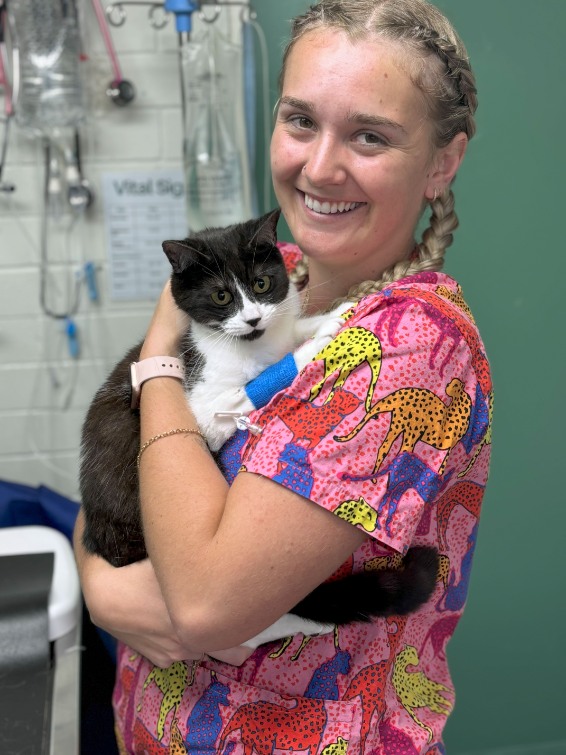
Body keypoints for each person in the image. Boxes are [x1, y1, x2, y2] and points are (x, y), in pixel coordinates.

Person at [73, 0, 492, 751]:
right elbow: (116, 480)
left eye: (369, 135)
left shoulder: (407, 348)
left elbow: (202, 604)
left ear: (443, 161)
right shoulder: (277, 280)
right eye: (301, 120)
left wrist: (160, 352)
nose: (319, 165)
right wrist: (101, 583)